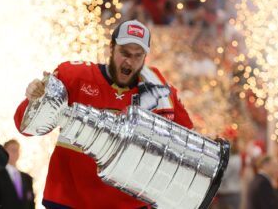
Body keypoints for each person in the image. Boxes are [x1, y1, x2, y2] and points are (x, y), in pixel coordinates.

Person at [14, 20, 193, 209]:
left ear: (145, 57)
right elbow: (24, 127)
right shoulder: (74, 76)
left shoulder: (161, 92)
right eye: (124, 53)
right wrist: (34, 99)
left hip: (131, 205)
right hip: (68, 201)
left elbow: (186, 144)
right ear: (111, 48)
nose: (129, 61)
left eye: (137, 56)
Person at [0, 139, 35, 209]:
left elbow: (31, 204)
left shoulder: (27, 178)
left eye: (17, 150)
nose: (15, 152)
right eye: (12, 149)